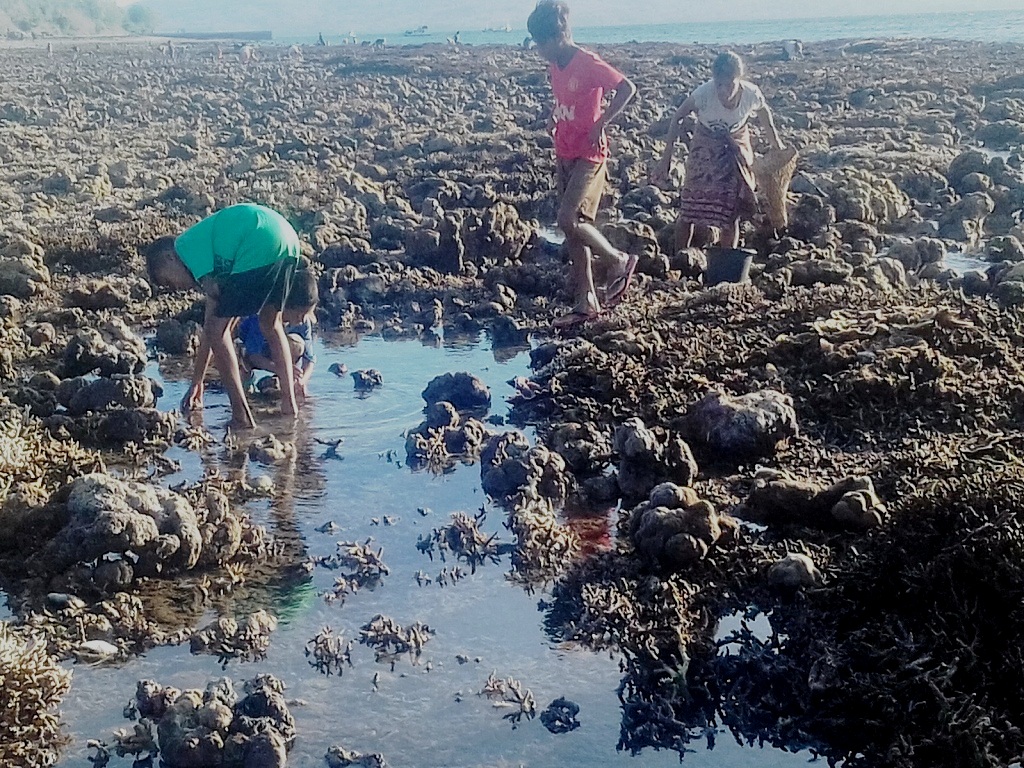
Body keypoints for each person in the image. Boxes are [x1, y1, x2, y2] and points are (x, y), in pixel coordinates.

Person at [527, 0, 639, 329]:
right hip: (564, 150)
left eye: (541, 43)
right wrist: (553, 117)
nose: (539, 50)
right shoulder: (555, 65)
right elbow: (564, 100)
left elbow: (626, 88)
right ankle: (586, 300)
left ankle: (618, 259)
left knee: (566, 218)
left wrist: (602, 123)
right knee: (575, 230)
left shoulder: (587, 62)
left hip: (590, 154)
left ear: (558, 37)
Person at [144, 203, 302, 428]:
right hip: (286, 238)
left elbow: (215, 329)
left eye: (169, 281)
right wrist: (198, 380)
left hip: (257, 242)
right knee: (271, 323)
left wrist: (198, 379)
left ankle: (241, 415)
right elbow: (213, 321)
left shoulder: (185, 248)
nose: (176, 288)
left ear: (170, 258)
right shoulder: (209, 253)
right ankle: (290, 406)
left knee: (220, 331)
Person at [652, 51, 785, 250]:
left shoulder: (750, 94)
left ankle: (726, 258)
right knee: (690, 208)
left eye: (728, 84)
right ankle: (680, 257)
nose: (722, 90)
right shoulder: (703, 94)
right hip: (705, 146)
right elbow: (677, 118)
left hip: (735, 147)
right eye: (719, 84)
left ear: (738, 79)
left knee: (731, 211)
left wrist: (776, 144)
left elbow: (764, 112)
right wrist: (666, 158)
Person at [237, 268, 318, 401]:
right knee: (239, 353)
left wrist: (302, 380)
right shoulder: (263, 316)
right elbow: (253, 355)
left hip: (278, 354)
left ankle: (284, 384)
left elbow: (309, 359)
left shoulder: (304, 322)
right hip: (250, 352)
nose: (302, 319)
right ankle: (246, 382)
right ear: (286, 306)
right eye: (299, 314)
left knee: (298, 343)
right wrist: (281, 370)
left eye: (306, 314)